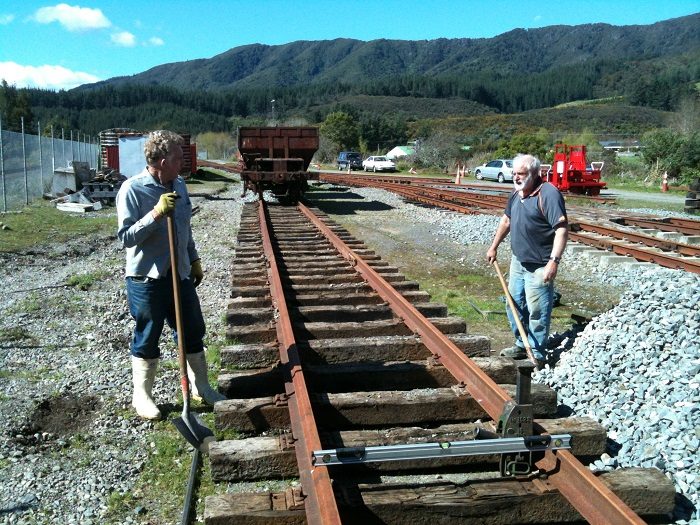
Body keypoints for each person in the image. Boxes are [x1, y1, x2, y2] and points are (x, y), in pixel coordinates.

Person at [117, 130, 226, 420]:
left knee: (192, 330)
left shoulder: (179, 185)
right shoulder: (132, 189)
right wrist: (154, 214)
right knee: (148, 336)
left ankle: (201, 386)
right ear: (163, 161)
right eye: (179, 158)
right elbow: (126, 237)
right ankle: (142, 396)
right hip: (146, 279)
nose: (183, 163)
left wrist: (194, 259)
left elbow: (184, 229)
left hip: (180, 274)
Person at [486, 153, 568, 369]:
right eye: (514, 173)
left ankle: (537, 352)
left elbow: (561, 231)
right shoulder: (517, 193)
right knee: (514, 304)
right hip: (518, 261)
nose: (516, 177)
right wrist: (494, 246)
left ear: (535, 173)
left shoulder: (549, 194)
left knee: (538, 310)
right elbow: (507, 220)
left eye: (521, 174)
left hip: (540, 264)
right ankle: (522, 344)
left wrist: (554, 262)